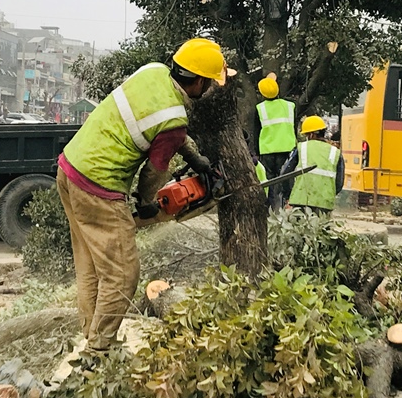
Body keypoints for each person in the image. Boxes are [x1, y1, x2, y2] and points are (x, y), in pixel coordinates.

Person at [57, 38, 226, 351]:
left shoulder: (153, 71)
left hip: (70, 168)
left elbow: (159, 124)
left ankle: (90, 335)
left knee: (92, 265)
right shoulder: (175, 121)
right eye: (210, 83)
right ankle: (100, 349)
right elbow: (154, 171)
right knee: (123, 274)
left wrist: (193, 157)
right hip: (98, 186)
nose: (210, 90)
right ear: (199, 81)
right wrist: (146, 202)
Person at [277, 115, 344, 214]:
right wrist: (328, 195)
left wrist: (288, 196)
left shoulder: (301, 148)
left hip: (300, 201)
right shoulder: (335, 152)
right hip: (325, 204)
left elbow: (285, 174)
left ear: (312, 135)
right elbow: (339, 182)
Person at [256, 76, 297, 189]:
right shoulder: (290, 106)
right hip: (287, 149)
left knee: (269, 181)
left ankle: (271, 203)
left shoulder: (260, 108)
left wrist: (256, 152)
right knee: (286, 180)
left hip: (267, 151)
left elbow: (256, 132)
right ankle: (286, 204)